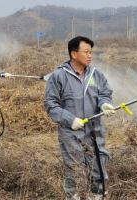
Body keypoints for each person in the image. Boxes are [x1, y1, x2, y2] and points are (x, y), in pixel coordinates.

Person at [44, 36, 115, 200]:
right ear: (74, 54)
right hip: (71, 132)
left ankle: (97, 195)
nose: (90, 55)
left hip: (95, 129)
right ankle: (76, 196)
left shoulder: (96, 74)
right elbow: (51, 104)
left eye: (91, 52)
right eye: (86, 52)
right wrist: (70, 120)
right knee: (75, 167)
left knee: (98, 162)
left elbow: (105, 93)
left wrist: (104, 104)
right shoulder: (59, 76)